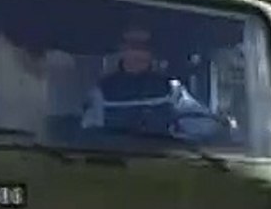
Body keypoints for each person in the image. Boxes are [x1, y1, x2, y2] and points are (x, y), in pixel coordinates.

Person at [83, 25, 219, 138]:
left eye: (144, 48)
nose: (138, 53)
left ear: (152, 53)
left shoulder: (171, 89)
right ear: (122, 49)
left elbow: (204, 126)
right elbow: (90, 135)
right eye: (133, 46)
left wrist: (177, 130)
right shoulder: (102, 91)